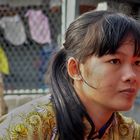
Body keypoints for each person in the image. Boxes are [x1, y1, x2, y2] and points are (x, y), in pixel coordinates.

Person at [0, 10, 140, 140]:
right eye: (114, 61)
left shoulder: (131, 133)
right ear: (75, 69)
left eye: (138, 63)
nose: (131, 75)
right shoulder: (25, 128)